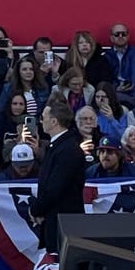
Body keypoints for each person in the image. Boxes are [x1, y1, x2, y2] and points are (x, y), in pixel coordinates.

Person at [30, 100, 86, 253]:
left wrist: (36, 209)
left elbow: (55, 188)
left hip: (64, 223)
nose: (41, 121)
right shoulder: (57, 147)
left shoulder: (68, 150)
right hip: (54, 220)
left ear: (54, 121)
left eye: (43, 117)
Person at [104, 23, 135, 101]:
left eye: (123, 34)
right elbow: (106, 78)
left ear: (128, 36)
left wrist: (131, 88)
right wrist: (116, 88)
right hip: (114, 92)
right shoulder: (107, 55)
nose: (120, 36)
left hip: (133, 92)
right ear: (111, 37)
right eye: (117, 34)